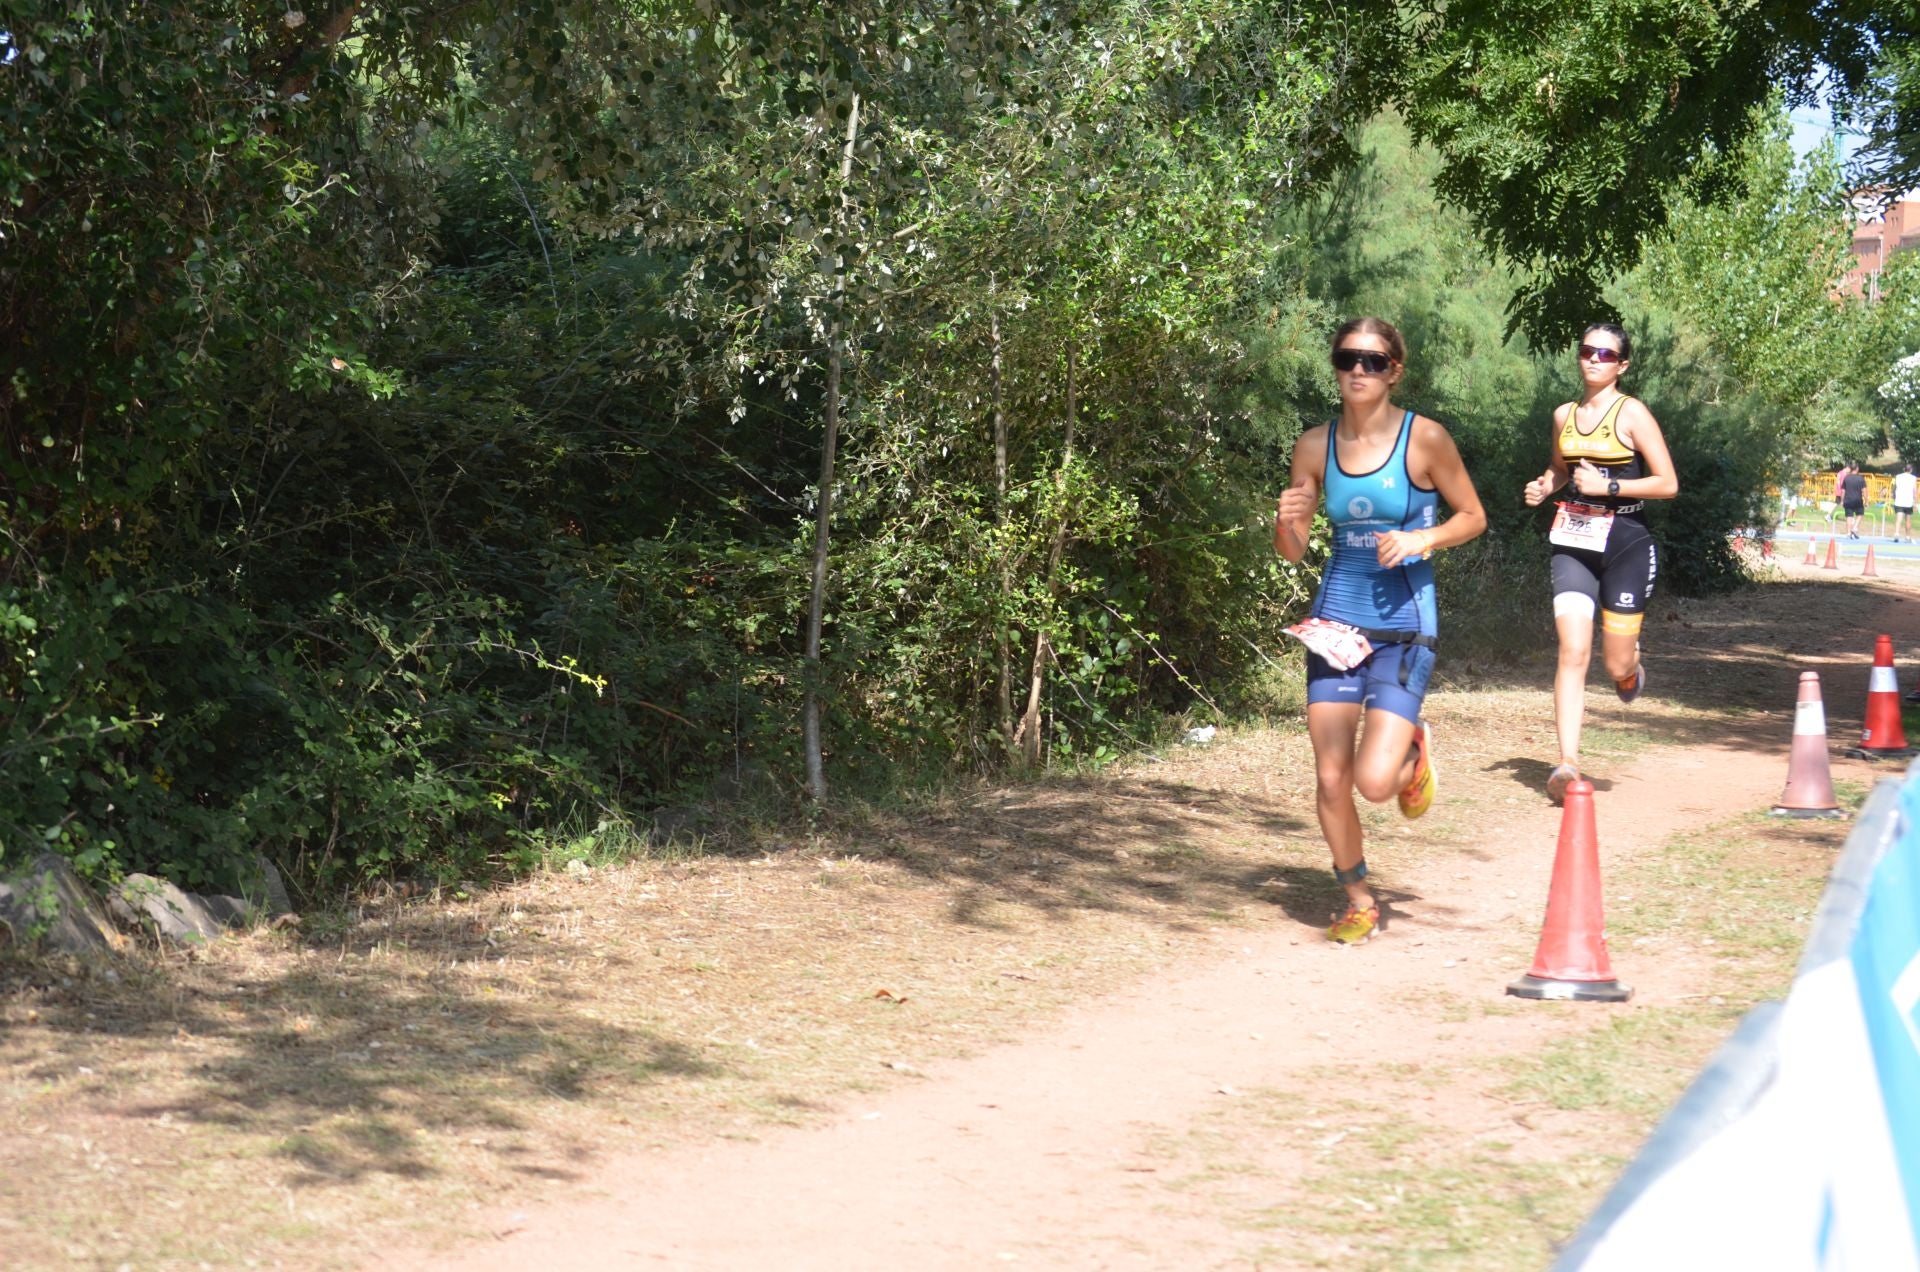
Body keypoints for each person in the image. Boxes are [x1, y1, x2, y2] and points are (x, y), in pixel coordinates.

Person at [1275, 318, 1488, 944]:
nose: (1358, 371)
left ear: (1395, 370)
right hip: (1336, 624)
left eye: (1372, 361)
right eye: (1347, 359)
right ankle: (1358, 898)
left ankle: (1411, 756)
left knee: (1373, 783)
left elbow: (1473, 516)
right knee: (1331, 777)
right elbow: (1291, 551)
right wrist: (1289, 521)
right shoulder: (1314, 446)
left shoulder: (1425, 440)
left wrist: (1423, 537)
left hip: (1404, 626)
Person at [1523, 323, 1679, 804]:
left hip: (1627, 542)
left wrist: (1610, 487)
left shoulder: (1632, 414)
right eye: (1587, 351)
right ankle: (1567, 763)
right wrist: (1546, 485)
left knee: (1614, 663)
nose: (1593, 359)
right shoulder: (1563, 414)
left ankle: (1630, 670)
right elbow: (1561, 467)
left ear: (1622, 365)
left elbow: (1667, 483)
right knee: (1572, 649)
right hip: (1574, 541)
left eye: (1605, 354)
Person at [1842, 461, 1868, 539]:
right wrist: (1866, 501)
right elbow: (1864, 491)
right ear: (1857, 469)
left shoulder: (1846, 478)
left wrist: (1842, 500)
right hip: (1857, 500)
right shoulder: (1860, 478)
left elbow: (1843, 490)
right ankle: (1855, 527)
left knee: (1849, 516)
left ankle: (1848, 533)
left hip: (1848, 500)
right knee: (1860, 514)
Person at [1895, 463, 1916, 543]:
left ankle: (1896, 533)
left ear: (1904, 469)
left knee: (1898, 518)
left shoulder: (1898, 476)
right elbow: (1914, 491)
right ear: (1911, 470)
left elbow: (1895, 487)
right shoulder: (1913, 478)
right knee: (1908, 519)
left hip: (1899, 500)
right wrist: (1915, 501)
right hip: (1908, 501)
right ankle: (1907, 536)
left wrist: (1894, 496)